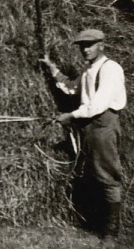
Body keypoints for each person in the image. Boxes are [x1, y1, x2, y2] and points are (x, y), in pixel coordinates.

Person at [40, 29, 127, 238]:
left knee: (108, 174)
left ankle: (111, 232)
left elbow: (98, 104)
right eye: (82, 46)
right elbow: (71, 88)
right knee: (95, 173)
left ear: (101, 45)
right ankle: (101, 224)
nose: (85, 50)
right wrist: (52, 68)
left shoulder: (110, 69)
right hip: (90, 126)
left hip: (104, 124)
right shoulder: (89, 71)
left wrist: (70, 115)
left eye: (90, 45)